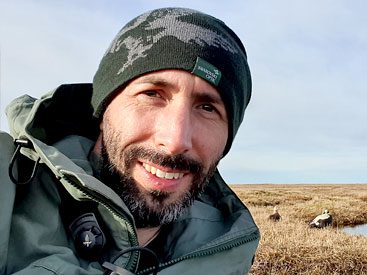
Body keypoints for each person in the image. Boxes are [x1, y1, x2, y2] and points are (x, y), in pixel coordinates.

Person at [0, 7, 259, 275]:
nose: (174, 140)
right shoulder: (7, 193)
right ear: (103, 109)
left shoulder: (229, 257)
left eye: (207, 108)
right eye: (152, 94)